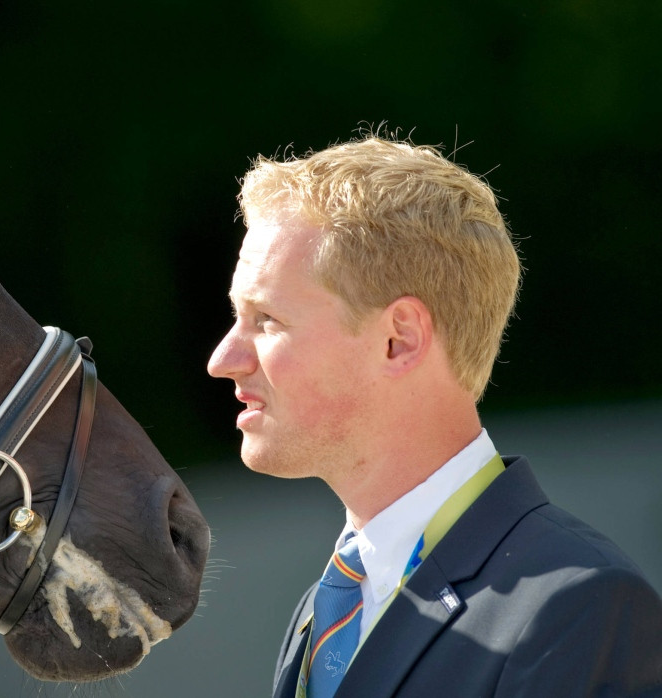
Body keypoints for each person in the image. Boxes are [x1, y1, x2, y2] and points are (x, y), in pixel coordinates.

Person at [206, 135, 662, 697]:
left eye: (266, 319)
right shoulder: (329, 604)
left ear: (399, 340)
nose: (222, 359)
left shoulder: (579, 608)